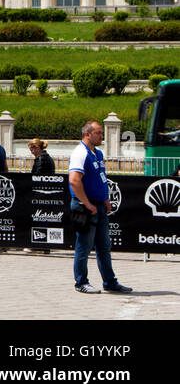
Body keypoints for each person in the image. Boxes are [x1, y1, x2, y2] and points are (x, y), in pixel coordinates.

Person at [69, 121, 131, 294]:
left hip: (99, 205)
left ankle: (110, 281)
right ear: (87, 134)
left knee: (104, 245)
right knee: (83, 245)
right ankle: (81, 282)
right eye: (98, 133)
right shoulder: (80, 153)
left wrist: (106, 199)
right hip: (84, 206)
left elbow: (100, 178)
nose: (101, 136)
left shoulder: (98, 153)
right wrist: (87, 204)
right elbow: (74, 181)